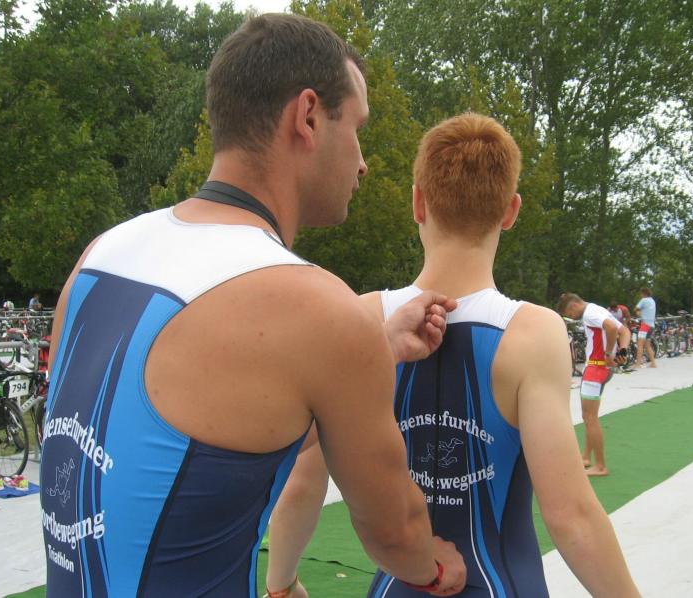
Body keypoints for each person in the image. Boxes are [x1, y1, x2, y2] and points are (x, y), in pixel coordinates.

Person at [40, 14, 466, 597]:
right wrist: (436, 567)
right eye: (357, 128)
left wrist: (380, 348)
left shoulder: (103, 251)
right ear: (308, 116)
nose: (363, 161)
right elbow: (394, 532)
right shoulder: (316, 305)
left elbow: (192, 444)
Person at [266, 114, 639, 597]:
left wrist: (282, 584)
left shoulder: (363, 317)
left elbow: (302, 482)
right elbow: (571, 515)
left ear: (417, 203)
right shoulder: (532, 333)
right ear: (511, 211)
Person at [557, 293, 631, 477]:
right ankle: (586, 457)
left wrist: (608, 353)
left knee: (589, 418)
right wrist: (622, 351)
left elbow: (611, 328)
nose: (572, 317)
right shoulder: (598, 309)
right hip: (603, 370)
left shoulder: (590, 314)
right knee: (590, 417)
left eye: (569, 314)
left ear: (573, 305)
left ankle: (600, 466)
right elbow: (625, 331)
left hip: (596, 369)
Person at [634, 287, 657, 368]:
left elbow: (636, 309)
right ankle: (653, 363)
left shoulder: (643, 300)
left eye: (641, 293)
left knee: (640, 344)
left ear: (644, 293)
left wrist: (638, 313)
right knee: (648, 345)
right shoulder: (652, 301)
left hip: (645, 325)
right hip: (651, 325)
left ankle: (638, 364)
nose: (641, 295)